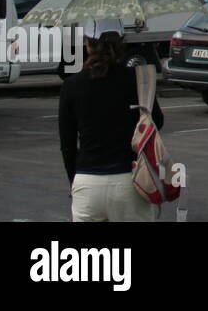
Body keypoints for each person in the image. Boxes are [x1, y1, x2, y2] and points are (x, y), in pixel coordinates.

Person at [58, 18, 164, 222]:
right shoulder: (137, 79)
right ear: (121, 43)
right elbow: (157, 121)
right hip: (129, 180)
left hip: (86, 181)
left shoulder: (71, 85)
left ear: (87, 44)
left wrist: (76, 182)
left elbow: (67, 145)